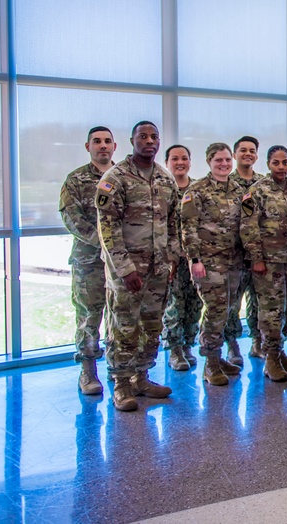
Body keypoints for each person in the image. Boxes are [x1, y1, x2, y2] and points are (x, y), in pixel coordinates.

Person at [96, 121, 180, 411]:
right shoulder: (115, 178)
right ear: (132, 141)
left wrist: (172, 258)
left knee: (151, 325)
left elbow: (173, 223)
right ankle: (121, 383)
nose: (149, 141)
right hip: (128, 271)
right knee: (123, 326)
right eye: (143, 136)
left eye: (154, 136)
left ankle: (142, 378)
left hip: (158, 269)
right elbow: (107, 229)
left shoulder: (165, 178)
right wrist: (124, 268)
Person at [181, 143, 244, 385]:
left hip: (234, 262)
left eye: (227, 159)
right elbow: (188, 229)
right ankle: (210, 363)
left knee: (229, 310)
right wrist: (194, 260)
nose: (224, 164)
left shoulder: (238, 190)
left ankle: (218, 357)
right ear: (209, 161)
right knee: (215, 311)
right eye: (219, 160)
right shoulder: (196, 191)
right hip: (208, 263)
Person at [59, 126, 116, 395]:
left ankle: (122, 369)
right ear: (88, 146)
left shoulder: (124, 177)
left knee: (123, 318)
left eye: (107, 141)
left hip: (122, 263)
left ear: (115, 146)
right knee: (89, 317)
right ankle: (88, 371)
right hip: (90, 261)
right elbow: (72, 218)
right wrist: (104, 243)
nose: (102, 145)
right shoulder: (76, 179)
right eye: (97, 141)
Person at [240, 145, 287, 382]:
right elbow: (248, 226)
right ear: (268, 164)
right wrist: (256, 258)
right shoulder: (257, 191)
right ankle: (270, 358)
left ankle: (280, 350)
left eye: (284, 162)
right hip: (268, 263)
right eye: (276, 162)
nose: (280, 167)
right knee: (271, 311)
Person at [161, 144, 201, 372]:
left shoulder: (197, 189)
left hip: (195, 258)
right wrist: (172, 256)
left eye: (184, 158)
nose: (180, 162)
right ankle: (174, 349)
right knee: (174, 305)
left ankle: (188, 344)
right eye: (174, 158)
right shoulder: (162, 189)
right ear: (167, 162)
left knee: (194, 304)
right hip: (172, 259)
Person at [225, 136, 264, 362]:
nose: (247, 154)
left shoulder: (263, 184)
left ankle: (257, 342)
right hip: (233, 254)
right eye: (243, 150)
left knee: (258, 301)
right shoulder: (226, 183)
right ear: (234, 154)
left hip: (260, 253)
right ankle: (232, 345)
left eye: (252, 150)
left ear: (257, 156)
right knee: (233, 302)